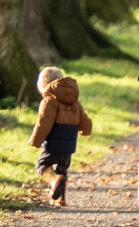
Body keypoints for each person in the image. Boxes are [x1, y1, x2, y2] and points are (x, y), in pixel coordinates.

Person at [30, 66, 94, 205]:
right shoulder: (75, 102)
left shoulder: (49, 101)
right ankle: (61, 198)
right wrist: (86, 130)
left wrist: (35, 140)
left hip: (53, 143)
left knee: (42, 165)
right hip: (69, 145)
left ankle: (54, 180)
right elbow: (85, 120)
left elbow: (43, 123)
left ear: (44, 86)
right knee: (62, 169)